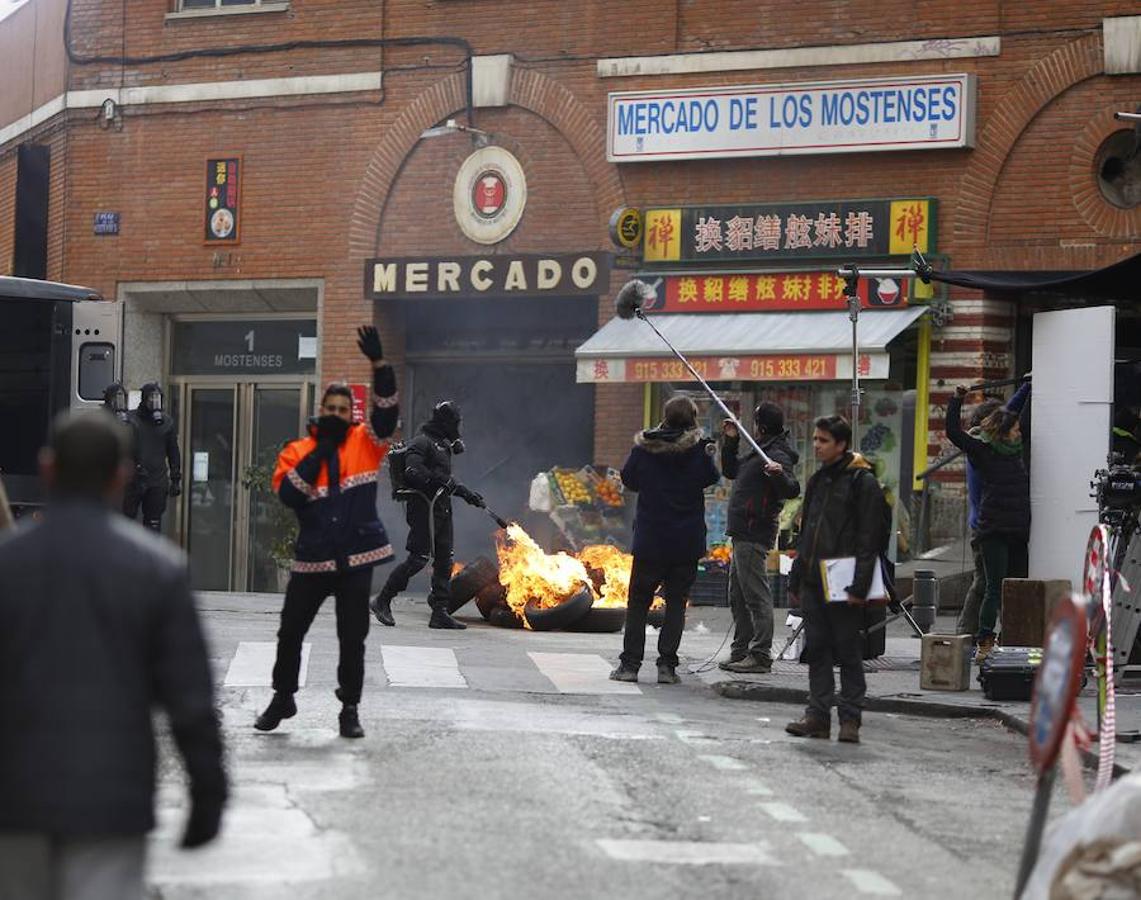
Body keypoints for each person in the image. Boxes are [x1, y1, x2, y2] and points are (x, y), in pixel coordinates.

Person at [0, 412, 227, 900]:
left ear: (47, 469)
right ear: (122, 477)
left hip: (13, 798)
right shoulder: (158, 570)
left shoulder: (7, 566)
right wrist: (207, 791)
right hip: (110, 799)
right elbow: (189, 698)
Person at [256, 325, 399, 739]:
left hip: (357, 557)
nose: (337, 415)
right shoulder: (297, 451)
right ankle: (283, 697)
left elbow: (387, 410)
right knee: (290, 632)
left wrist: (380, 364)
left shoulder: (367, 440)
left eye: (343, 410)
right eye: (330, 409)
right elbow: (290, 495)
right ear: (321, 411)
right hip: (313, 556)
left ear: (351, 413)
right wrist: (321, 448)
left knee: (352, 637)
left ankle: (349, 709)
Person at [785, 415, 883, 745]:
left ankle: (850, 718)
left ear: (841, 445)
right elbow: (807, 530)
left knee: (848, 650)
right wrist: (797, 576)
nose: (816, 445)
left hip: (843, 580)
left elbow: (870, 537)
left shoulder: (862, 482)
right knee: (817, 649)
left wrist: (859, 584)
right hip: (813, 578)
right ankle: (817, 716)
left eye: (823, 440)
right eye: (815, 439)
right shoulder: (818, 480)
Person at [610, 396, 720, 685]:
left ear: (666, 417)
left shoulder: (645, 447)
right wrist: (707, 452)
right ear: (692, 419)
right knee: (675, 603)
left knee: (638, 603)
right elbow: (712, 478)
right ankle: (667, 667)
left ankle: (630, 665)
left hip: (651, 539)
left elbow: (629, 479)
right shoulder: (698, 451)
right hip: (685, 541)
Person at [370, 400, 486, 631]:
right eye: (454, 422)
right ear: (445, 422)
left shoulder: (442, 444)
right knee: (419, 558)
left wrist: (467, 494)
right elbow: (413, 470)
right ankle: (382, 600)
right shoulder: (422, 441)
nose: (457, 427)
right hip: (423, 507)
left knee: (445, 559)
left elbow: (445, 479)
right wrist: (441, 481)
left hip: (441, 507)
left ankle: (439, 613)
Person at [947, 381, 1031, 665]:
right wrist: (956, 399)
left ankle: (1003, 639)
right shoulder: (982, 449)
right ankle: (973, 638)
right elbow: (952, 432)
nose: (1019, 431)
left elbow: (1011, 411)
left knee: (1004, 584)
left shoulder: (1012, 448)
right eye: (1014, 427)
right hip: (989, 526)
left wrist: (1027, 386)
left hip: (1015, 526)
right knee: (988, 585)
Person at [718, 402, 800, 674]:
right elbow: (731, 471)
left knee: (755, 594)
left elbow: (791, 489)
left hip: (755, 530)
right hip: (742, 531)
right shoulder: (759, 450)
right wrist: (730, 441)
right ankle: (741, 649)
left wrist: (778, 474)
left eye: (754, 422)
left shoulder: (778, 454)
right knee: (738, 595)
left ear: (761, 426)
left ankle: (760, 654)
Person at [956, 397, 1002, 640]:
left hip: (985, 522)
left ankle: (970, 630)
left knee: (990, 580)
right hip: (985, 525)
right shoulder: (980, 447)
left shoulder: (983, 446)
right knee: (985, 580)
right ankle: (967, 630)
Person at [124, 382, 182, 531]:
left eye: (158, 398)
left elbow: (173, 451)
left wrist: (176, 479)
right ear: (144, 399)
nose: (154, 402)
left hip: (157, 480)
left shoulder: (166, 422)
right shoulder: (130, 420)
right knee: (126, 521)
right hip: (134, 479)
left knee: (153, 524)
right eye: (151, 398)